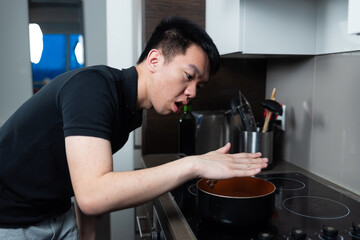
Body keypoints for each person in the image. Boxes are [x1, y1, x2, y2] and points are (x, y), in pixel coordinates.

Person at [0, 16, 268, 239]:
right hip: (12, 221)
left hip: (58, 211)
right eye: (189, 77)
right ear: (154, 60)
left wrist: (88, 235)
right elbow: (94, 194)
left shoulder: (130, 111)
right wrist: (193, 165)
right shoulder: (94, 87)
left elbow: (83, 175)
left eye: (199, 85)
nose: (192, 92)